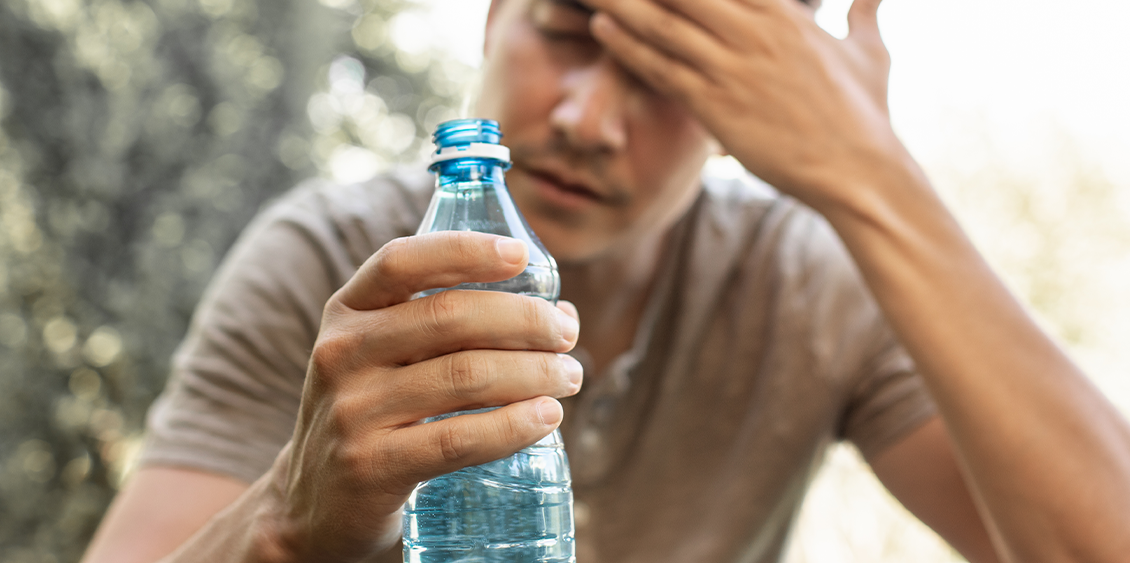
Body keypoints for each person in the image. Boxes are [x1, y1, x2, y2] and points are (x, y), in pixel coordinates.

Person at [82, 0, 1130, 562]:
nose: (585, 118)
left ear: (743, 114)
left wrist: (870, 175)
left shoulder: (810, 282)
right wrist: (284, 524)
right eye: (570, 30)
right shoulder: (332, 260)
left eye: (672, 72)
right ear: (495, 20)